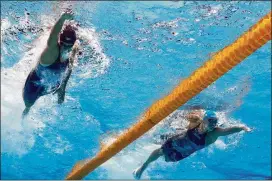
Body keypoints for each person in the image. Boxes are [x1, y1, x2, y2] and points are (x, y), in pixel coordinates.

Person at [133, 110, 251, 179]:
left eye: (215, 122)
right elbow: (182, 113)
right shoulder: (196, 122)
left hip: (182, 152)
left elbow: (230, 130)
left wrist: (243, 127)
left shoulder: (214, 133)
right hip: (176, 140)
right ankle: (143, 167)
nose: (213, 124)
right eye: (210, 121)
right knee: (160, 151)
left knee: (167, 159)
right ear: (204, 120)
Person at [22, 11, 79, 117]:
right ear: (60, 42)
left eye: (69, 45)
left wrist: (62, 87)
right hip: (34, 85)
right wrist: (62, 19)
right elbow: (52, 38)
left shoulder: (72, 49)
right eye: (63, 44)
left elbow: (70, 67)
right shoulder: (52, 53)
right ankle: (25, 113)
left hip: (51, 86)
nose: (66, 48)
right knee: (28, 104)